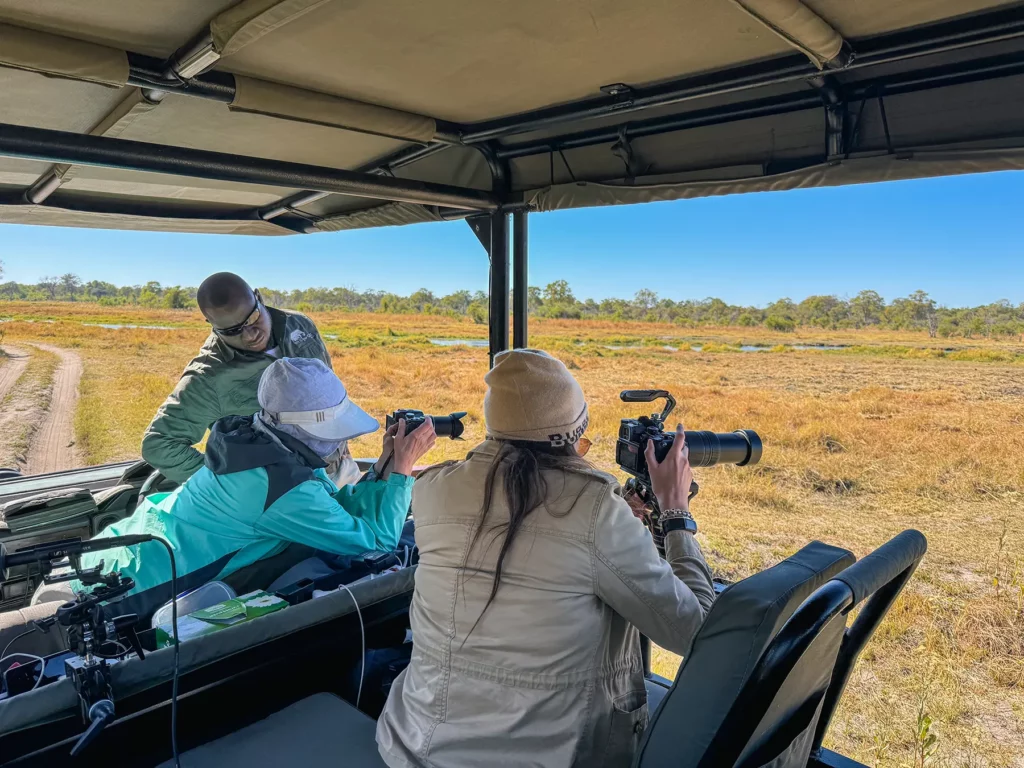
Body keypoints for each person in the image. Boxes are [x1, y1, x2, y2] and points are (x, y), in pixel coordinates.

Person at [377, 349, 716, 768]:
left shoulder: (432, 489)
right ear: (571, 440)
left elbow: (523, 537)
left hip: (412, 744)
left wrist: (611, 525)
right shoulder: (595, 511)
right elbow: (698, 633)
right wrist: (676, 512)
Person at [70, 357, 436, 619]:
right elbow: (377, 545)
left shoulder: (255, 441)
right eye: (334, 432)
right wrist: (401, 470)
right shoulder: (279, 488)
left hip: (120, 551)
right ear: (306, 430)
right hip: (129, 590)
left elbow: (331, 509)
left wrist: (386, 466)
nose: (339, 443)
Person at [141, 272, 360, 486]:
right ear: (211, 323)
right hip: (286, 492)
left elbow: (328, 386)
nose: (249, 335)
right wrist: (230, 488)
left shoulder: (299, 324)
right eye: (232, 331)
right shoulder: (209, 377)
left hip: (340, 465)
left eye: (253, 319)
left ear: (258, 298)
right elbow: (159, 443)